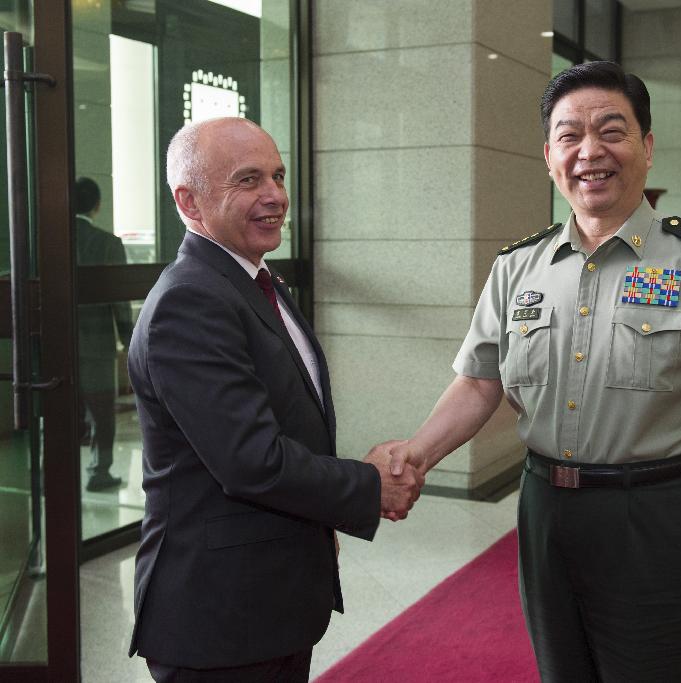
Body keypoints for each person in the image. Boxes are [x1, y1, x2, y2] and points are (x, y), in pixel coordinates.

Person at [381, 61, 681, 681]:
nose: (590, 152)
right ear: (549, 155)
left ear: (647, 147)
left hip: (664, 516)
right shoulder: (518, 267)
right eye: (569, 135)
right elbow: (478, 381)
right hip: (548, 512)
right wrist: (413, 457)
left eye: (612, 131)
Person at [127, 117, 422, 682]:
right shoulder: (191, 301)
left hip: (268, 600)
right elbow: (251, 459)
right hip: (219, 619)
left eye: (278, 176)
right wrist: (365, 485)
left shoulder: (255, 280)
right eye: (248, 180)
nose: (276, 196)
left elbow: (289, 423)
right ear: (189, 200)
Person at [75, 177, 133, 492]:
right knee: (102, 413)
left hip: (58, 344)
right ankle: (99, 472)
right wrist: (129, 339)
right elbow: (119, 299)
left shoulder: (48, 240)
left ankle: (51, 473)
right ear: (97, 205)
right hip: (97, 344)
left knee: (57, 412)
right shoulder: (108, 243)